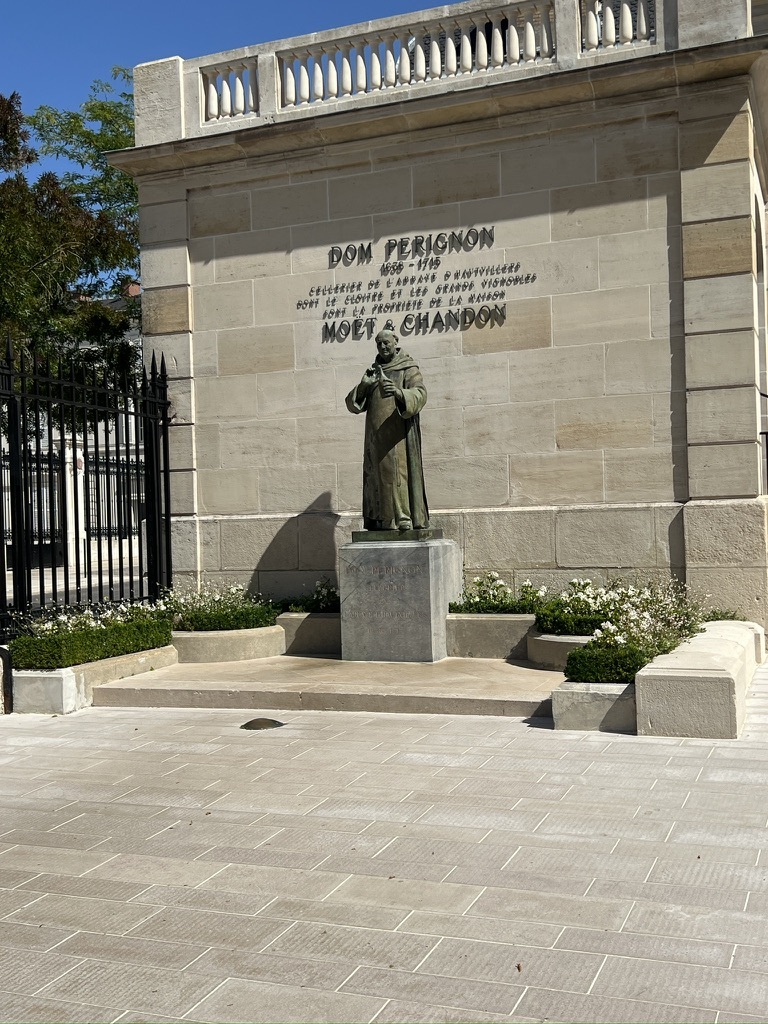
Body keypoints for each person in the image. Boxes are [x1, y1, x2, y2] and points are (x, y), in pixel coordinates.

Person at [345, 320, 429, 531]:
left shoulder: (407, 368)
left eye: (386, 343)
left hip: (398, 435)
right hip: (376, 438)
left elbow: (420, 393)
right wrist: (364, 386)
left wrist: (400, 392)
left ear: (395, 342)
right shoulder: (373, 372)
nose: (383, 347)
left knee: (398, 474)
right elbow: (352, 405)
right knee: (378, 478)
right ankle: (382, 519)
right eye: (379, 344)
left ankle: (404, 517)